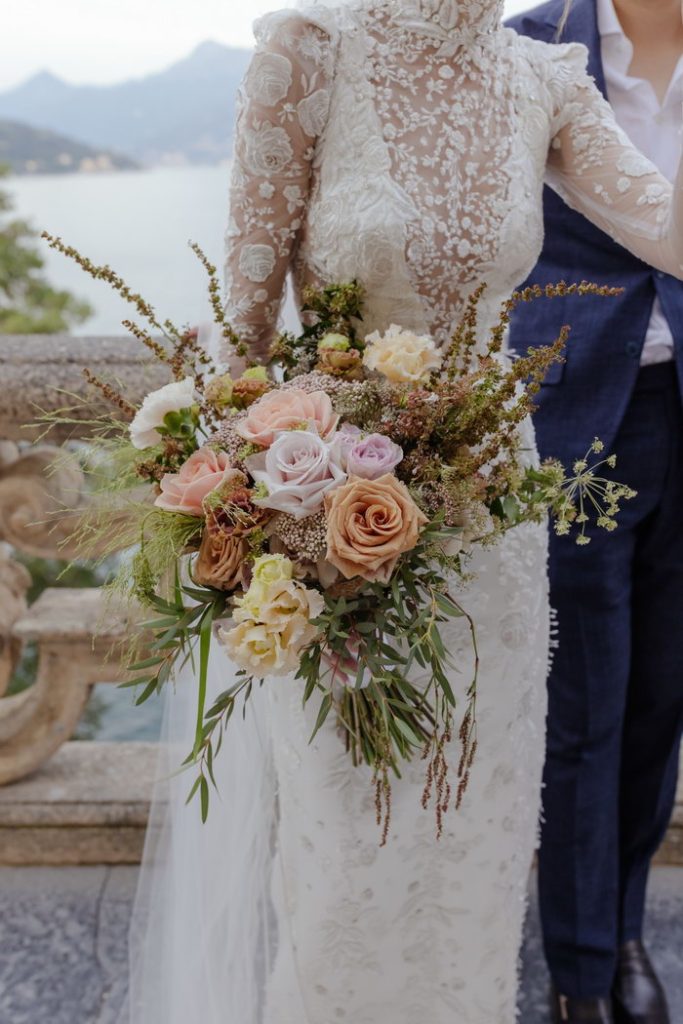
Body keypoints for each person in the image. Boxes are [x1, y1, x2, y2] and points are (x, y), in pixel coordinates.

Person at [120, 1, 683, 1022]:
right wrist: (253, 527)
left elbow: (664, 224)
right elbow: (241, 344)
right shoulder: (307, 52)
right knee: (346, 856)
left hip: (493, 533)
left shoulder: (544, 75)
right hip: (324, 512)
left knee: (473, 853)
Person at [508, 0, 683, 1021]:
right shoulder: (532, 43)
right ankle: (579, 974)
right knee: (583, 701)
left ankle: (619, 928)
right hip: (570, 415)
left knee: (661, 694)